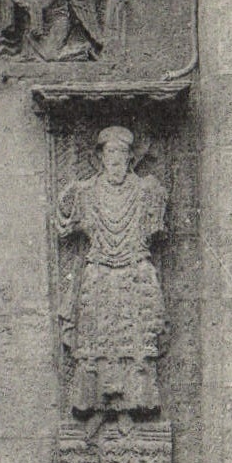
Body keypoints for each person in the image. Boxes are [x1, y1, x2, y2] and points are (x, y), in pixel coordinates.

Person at [56, 126, 169, 438]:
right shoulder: (86, 191)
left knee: (135, 340)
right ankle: (95, 408)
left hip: (135, 272)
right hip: (100, 273)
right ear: (100, 158)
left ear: (131, 158)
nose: (115, 160)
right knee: (95, 340)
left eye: (121, 153)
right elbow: (64, 218)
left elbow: (156, 225)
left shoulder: (147, 191)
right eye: (110, 153)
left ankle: (132, 408)